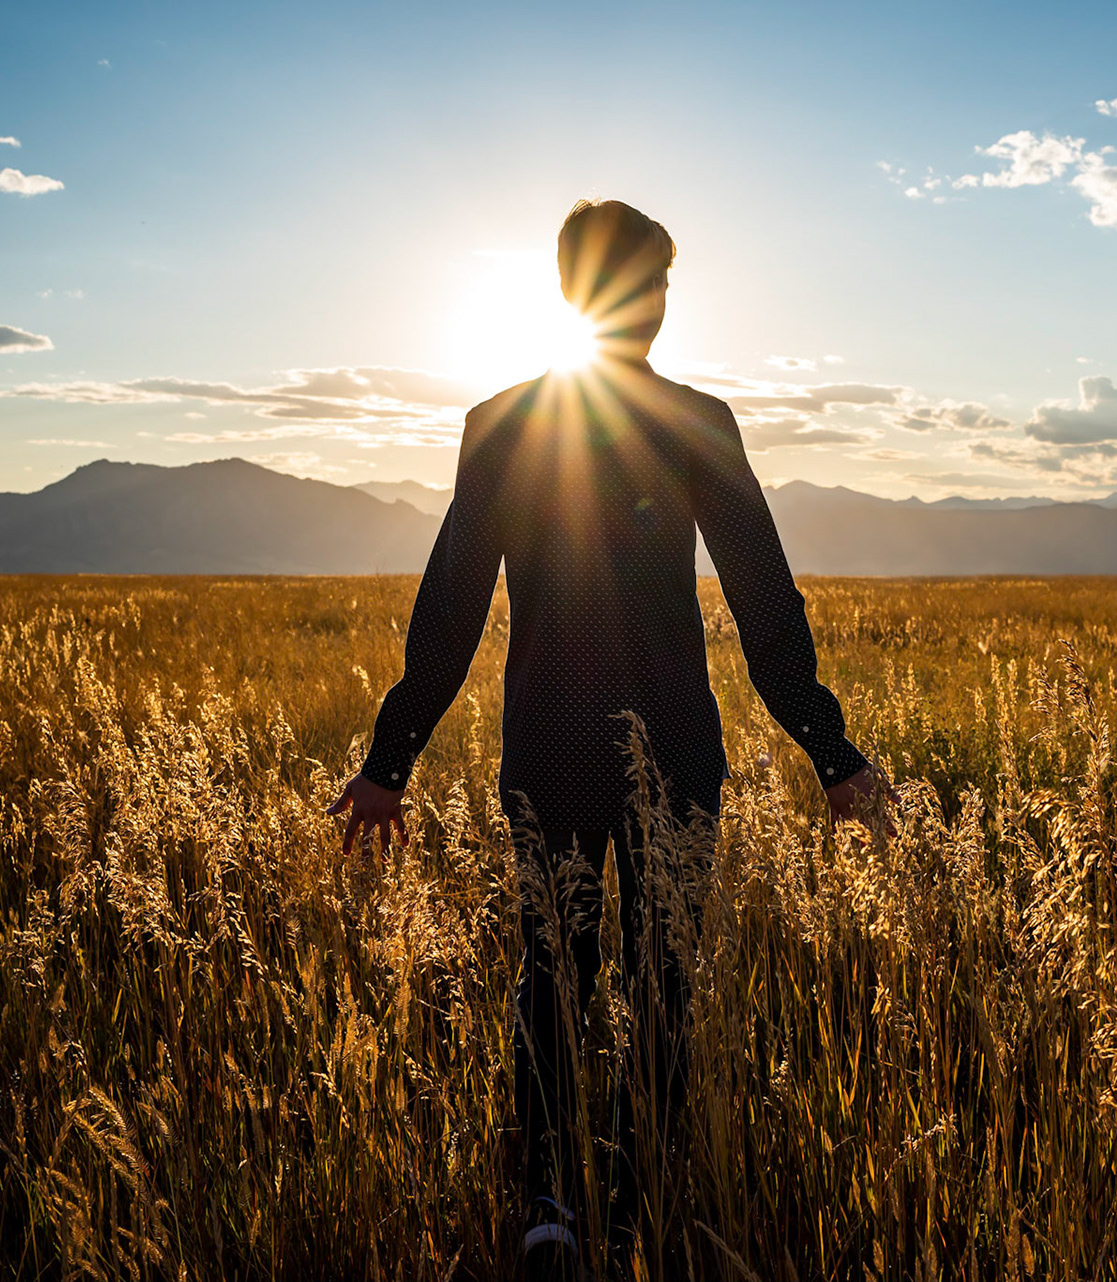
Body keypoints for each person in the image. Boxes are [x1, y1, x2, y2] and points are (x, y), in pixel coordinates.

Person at [326, 198, 891, 1275]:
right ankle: (629, 1204)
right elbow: (767, 605)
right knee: (655, 977)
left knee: (561, 970)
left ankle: (555, 1206)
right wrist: (833, 752)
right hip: (669, 741)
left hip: (551, 741)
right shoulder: (695, 421)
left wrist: (388, 762)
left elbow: (451, 607)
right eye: (653, 282)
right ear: (629, 296)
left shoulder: (504, 421)